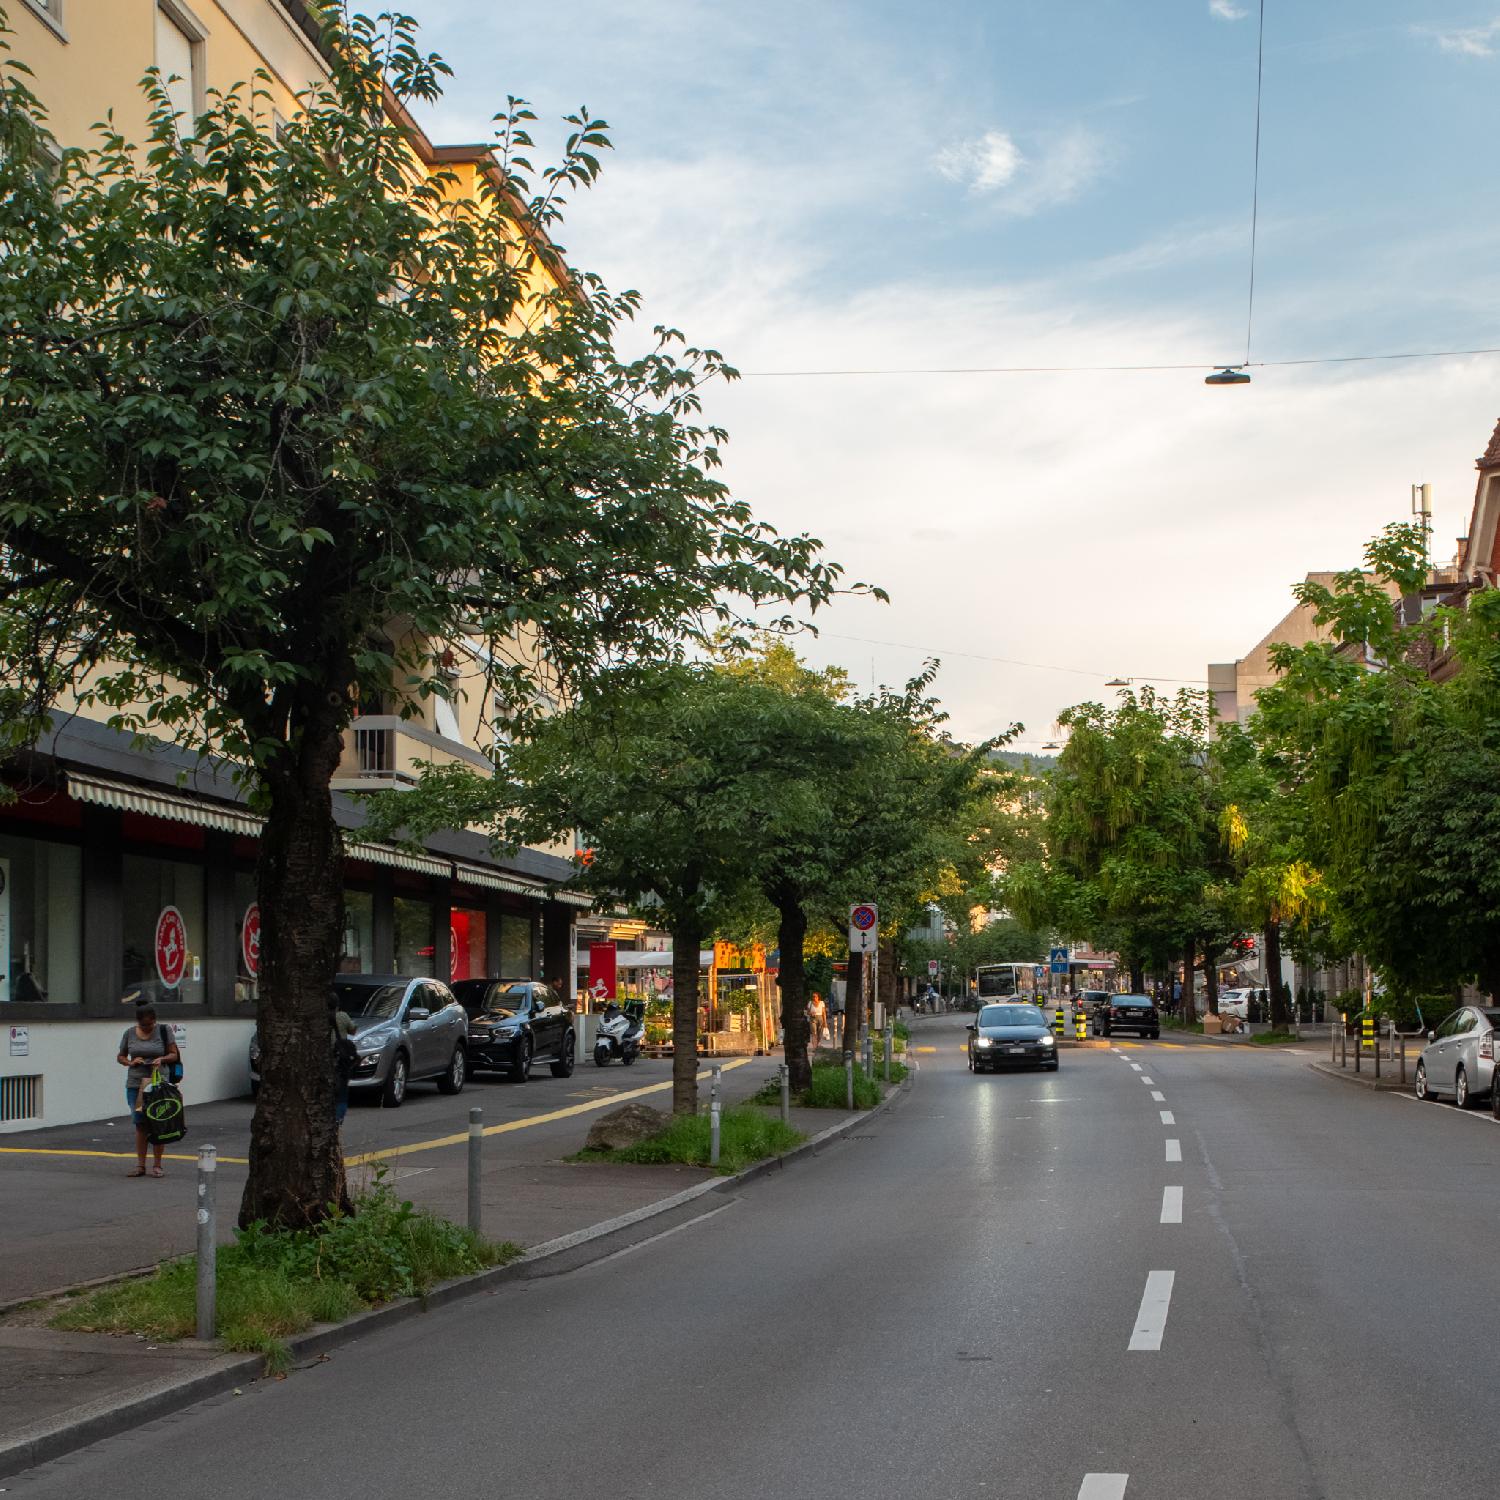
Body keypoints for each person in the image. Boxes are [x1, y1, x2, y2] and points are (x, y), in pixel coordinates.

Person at [117, 1005, 180, 1177]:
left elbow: (174, 1054)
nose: (147, 1028)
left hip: (158, 1082)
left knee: (159, 1122)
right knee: (140, 1124)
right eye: (144, 1026)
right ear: (137, 1022)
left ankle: (158, 1165)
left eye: (150, 1025)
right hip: (136, 1084)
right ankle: (140, 1165)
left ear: (155, 1020)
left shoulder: (164, 1030)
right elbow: (120, 1056)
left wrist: (162, 1058)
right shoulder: (129, 1033)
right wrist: (130, 1062)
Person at [333, 1006, 356, 1127]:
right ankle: (338, 1119)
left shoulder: (315, 1017)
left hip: (322, 1059)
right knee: (341, 1094)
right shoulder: (342, 1016)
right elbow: (353, 1030)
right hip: (340, 1059)